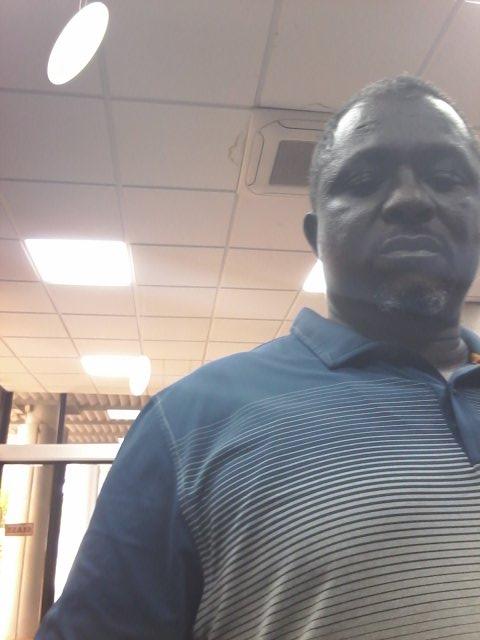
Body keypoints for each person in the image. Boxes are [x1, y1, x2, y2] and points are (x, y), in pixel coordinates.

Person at [36, 76, 480, 639]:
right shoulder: (189, 422)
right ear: (317, 238)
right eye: (366, 181)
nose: (411, 200)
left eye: (446, 178)